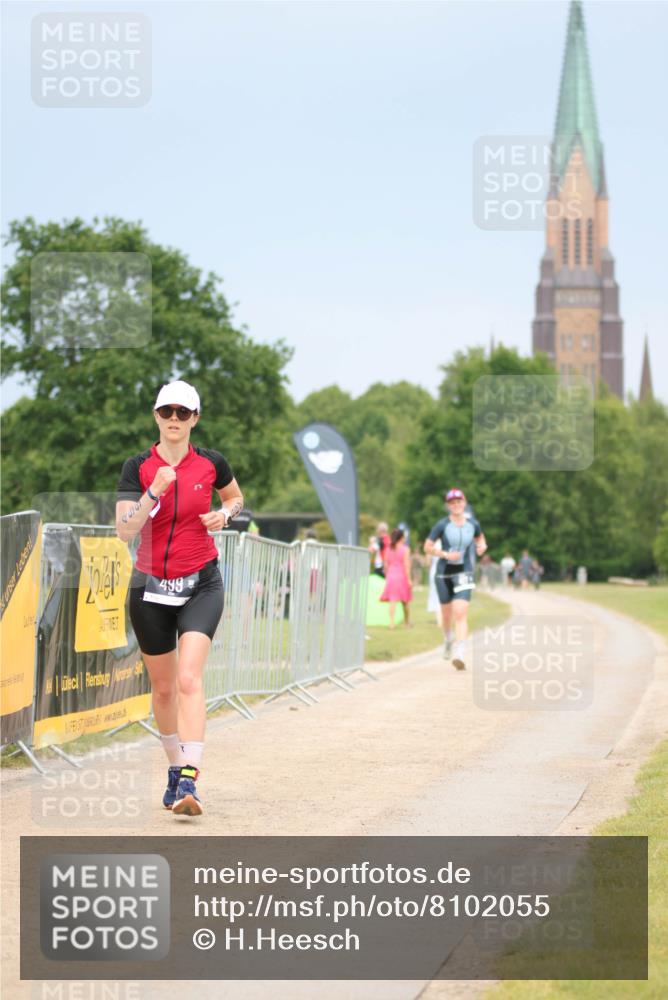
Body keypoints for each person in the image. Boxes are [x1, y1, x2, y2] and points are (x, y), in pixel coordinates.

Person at [116, 380, 243, 817]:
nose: (174, 419)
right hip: (150, 587)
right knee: (165, 688)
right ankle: (175, 768)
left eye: (183, 412)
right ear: (156, 416)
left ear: (195, 419)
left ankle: (190, 776)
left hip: (201, 582)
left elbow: (235, 497)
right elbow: (124, 530)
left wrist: (224, 514)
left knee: (189, 678)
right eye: (167, 411)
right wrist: (154, 491)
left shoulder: (211, 463)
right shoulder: (138, 467)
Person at [424, 488, 487, 670]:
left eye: (459, 501)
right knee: (446, 615)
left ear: (464, 503)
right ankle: (447, 639)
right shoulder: (441, 525)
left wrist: (482, 546)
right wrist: (445, 554)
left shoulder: (473, 524)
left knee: (460, 612)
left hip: (464, 572)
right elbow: (427, 547)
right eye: (452, 503)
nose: (456, 505)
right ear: (448, 506)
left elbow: (480, 538)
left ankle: (460, 653)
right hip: (443, 573)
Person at [379, 528, 413, 629]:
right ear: (401, 538)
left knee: (392, 601)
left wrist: (387, 576)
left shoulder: (388, 549)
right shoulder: (405, 549)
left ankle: (391, 623)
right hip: (402, 576)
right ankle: (407, 622)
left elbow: (385, 564)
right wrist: (409, 579)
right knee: (405, 601)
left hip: (391, 575)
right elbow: (406, 565)